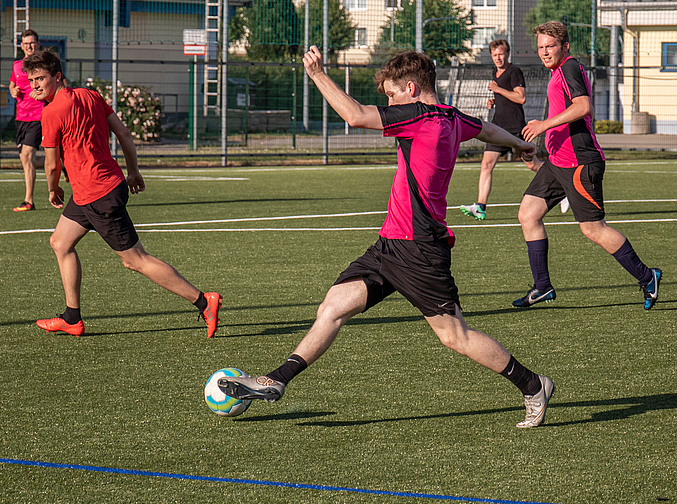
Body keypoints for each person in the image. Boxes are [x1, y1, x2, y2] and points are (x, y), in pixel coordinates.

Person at [219, 46, 555, 429]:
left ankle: (532, 385)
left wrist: (316, 74)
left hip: (418, 249)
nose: (390, 102)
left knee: (455, 336)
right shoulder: (450, 117)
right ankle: (276, 380)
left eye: (392, 94)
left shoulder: (417, 115)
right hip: (391, 243)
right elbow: (486, 128)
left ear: (411, 88)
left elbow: (354, 115)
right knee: (334, 306)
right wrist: (520, 143)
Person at [22, 50, 222, 337]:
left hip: (97, 194)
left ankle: (204, 302)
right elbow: (124, 134)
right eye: (31, 80)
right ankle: (71, 318)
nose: (35, 85)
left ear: (57, 76)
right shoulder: (91, 95)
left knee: (135, 259)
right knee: (60, 242)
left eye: (40, 78)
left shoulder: (51, 112)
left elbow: (52, 164)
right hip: (99, 188)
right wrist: (134, 171)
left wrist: (53, 190)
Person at [516, 21, 661, 310]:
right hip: (558, 163)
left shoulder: (569, 66)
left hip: (580, 164)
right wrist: (538, 152)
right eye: (541, 47)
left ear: (565, 46)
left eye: (550, 46)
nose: (544, 52)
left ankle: (648, 276)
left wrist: (543, 125)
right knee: (528, 214)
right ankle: (543, 286)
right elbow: (563, 112)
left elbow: (582, 107)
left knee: (592, 229)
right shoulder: (557, 72)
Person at [460, 39, 527, 221]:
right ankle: (480, 206)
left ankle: (562, 188)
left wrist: (498, 89)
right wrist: (495, 100)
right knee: (486, 164)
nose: (498, 58)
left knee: (531, 163)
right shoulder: (495, 72)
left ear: (508, 53)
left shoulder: (514, 72)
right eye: (494, 55)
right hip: (498, 125)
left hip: (514, 127)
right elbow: (507, 97)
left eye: (501, 54)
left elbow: (520, 98)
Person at [9, 29, 45, 212]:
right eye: (26, 43)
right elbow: (12, 83)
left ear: (37, 44)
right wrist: (12, 90)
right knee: (27, 158)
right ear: (21, 46)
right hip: (20, 118)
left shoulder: (44, 65)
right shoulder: (17, 65)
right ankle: (60, 165)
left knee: (26, 155)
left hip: (39, 116)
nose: (29, 46)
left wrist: (39, 92)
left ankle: (29, 200)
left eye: (32, 43)